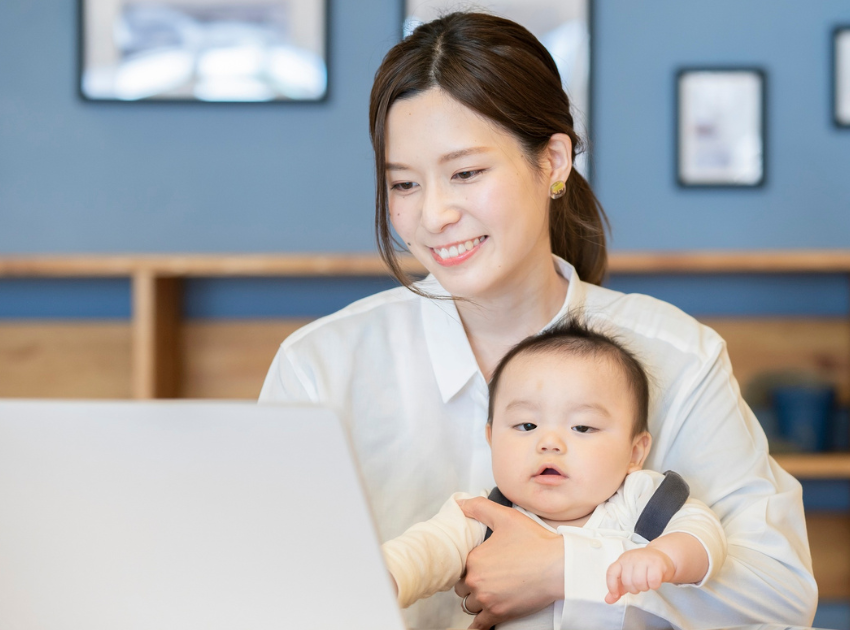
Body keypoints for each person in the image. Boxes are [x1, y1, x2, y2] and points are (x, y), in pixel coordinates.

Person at [259, 11, 816, 630]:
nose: (433, 214)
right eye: (405, 184)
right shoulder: (319, 368)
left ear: (553, 161)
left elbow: (782, 599)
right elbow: (270, 592)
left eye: (466, 173)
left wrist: (564, 568)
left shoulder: (679, 355)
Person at [382, 318, 728, 629]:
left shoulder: (641, 501)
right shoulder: (480, 517)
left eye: (582, 426)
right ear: (491, 438)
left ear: (634, 452)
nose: (549, 442)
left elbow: (702, 530)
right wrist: (387, 575)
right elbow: (421, 553)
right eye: (527, 424)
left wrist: (666, 556)